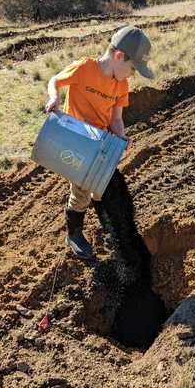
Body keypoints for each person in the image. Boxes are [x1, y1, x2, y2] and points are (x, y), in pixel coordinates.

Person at [44, 26, 153, 259]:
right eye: (133, 68)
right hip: (76, 140)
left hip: (100, 142)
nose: (133, 74)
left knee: (102, 186)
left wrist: (121, 135)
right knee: (81, 190)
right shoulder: (84, 68)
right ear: (118, 57)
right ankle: (73, 234)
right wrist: (55, 97)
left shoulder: (121, 84)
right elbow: (55, 80)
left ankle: (106, 226)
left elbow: (116, 119)